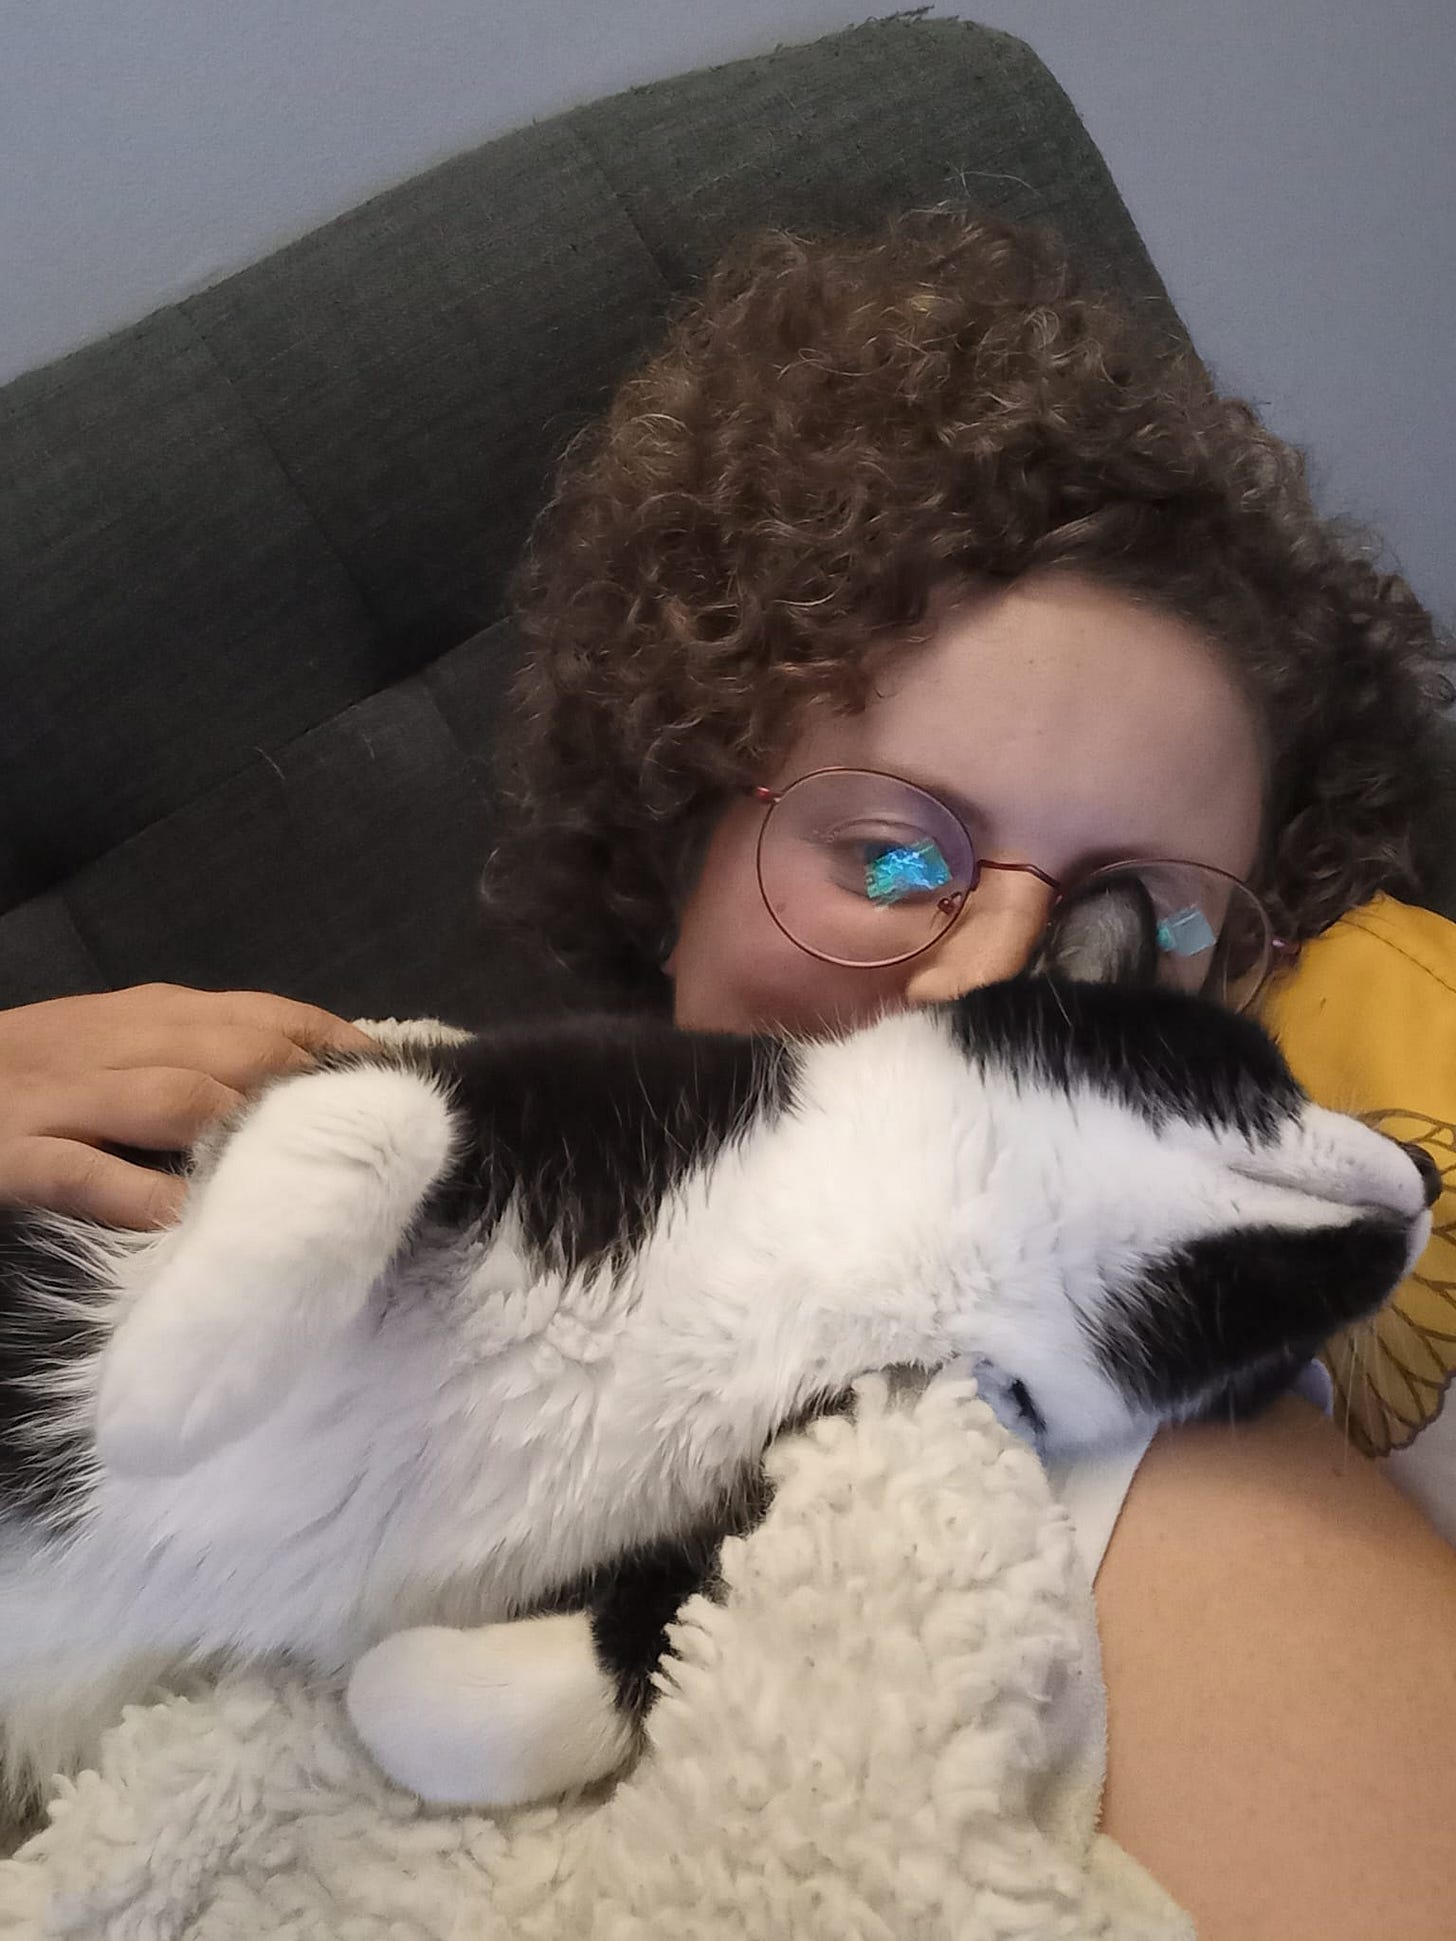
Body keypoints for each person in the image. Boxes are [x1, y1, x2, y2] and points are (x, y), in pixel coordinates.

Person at [3, 209, 1455, 1937]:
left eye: (1125, 928)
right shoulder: (323, 1108)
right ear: (685, 833)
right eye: (895, 858)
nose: (983, 979)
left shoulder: (1182, 1428)